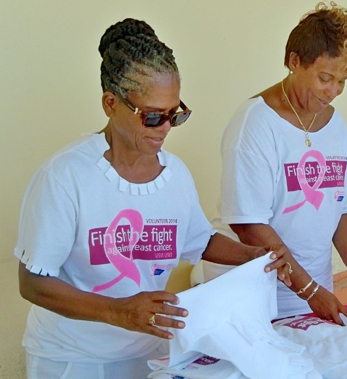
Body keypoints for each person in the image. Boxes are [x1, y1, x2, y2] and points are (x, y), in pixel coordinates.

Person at [15, 18, 288, 379]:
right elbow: (32, 281)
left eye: (175, 114)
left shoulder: (174, 175)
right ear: (111, 103)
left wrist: (253, 256)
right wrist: (118, 311)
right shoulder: (66, 177)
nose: (165, 128)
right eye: (153, 116)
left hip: (152, 351)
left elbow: (199, 240)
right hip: (75, 359)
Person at [212, 2, 347, 324]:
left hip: (314, 297)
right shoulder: (255, 124)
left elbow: (345, 207)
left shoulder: (335, 126)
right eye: (325, 78)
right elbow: (248, 224)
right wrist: (309, 291)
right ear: (295, 61)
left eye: (342, 81)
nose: (333, 91)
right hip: (254, 299)